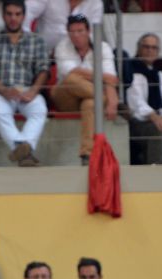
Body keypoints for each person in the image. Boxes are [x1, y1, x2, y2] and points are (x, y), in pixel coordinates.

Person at [0, 0, 48, 167]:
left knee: (40, 108)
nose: (13, 18)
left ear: (23, 16)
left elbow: (43, 70)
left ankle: (21, 148)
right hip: (1, 91)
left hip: (27, 90)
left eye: (17, 14)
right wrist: (4, 91)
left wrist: (33, 91)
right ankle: (24, 150)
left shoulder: (36, 41)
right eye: (9, 14)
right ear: (3, 16)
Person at [50, 14, 118, 166]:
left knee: (90, 104)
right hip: (66, 96)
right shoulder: (62, 46)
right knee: (71, 79)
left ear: (88, 32)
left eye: (80, 31)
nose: (76, 35)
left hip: (89, 97)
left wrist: (112, 99)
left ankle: (86, 154)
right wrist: (102, 78)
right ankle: (101, 98)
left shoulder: (103, 47)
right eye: (72, 32)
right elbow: (71, 73)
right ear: (68, 33)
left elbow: (111, 79)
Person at [126, 33, 162, 166]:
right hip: (136, 122)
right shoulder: (131, 70)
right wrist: (155, 117)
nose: (150, 50)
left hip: (158, 119)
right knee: (156, 129)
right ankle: (155, 169)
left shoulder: (159, 74)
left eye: (154, 48)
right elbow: (135, 100)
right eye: (146, 47)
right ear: (138, 49)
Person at [22, 0, 102, 53]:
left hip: (78, 55)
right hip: (44, 56)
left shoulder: (96, 3)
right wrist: (29, 44)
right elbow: (24, 13)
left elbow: (93, 35)